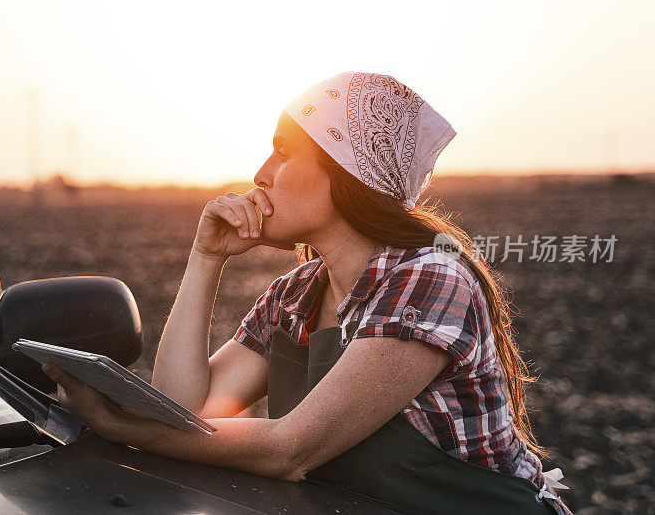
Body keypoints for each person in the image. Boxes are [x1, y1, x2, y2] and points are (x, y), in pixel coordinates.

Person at [42, 71, 572, 514]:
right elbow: (187, 407)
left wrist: (121, 426)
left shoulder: (432, 280)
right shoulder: (295, 296)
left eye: (282, 153)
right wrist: (205, 261)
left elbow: (291, 450)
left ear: (346, 172)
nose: (260, 174)